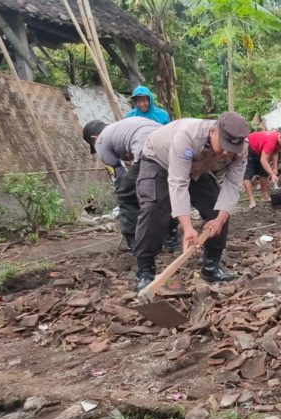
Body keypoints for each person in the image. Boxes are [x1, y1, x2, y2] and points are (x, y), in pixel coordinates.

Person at [132, 112, 250, 291]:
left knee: (216, 207)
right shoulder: (187, 136)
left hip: (197, 169)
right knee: (154, 207)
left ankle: (211, 266)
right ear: (213, 132)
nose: (227, 154)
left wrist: (219, 220)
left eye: (232, 150)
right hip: (159, 161)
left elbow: (233, 185)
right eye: (224, 147)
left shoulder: (241, 150)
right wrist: (187, 228)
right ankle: (145, 270)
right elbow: (178, 182)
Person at [82, 117, 162, 249]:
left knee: (125, 193)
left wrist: (122, 192)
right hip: (170, 141)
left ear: (94, 139)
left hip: (148, 150)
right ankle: (171, 238)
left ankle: (134, 242)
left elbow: (119, 177)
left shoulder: (101, 142)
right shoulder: (121, 128)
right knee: (162, 191)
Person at [243, 128, 281, 209]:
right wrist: (272, 174)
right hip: (248, 148)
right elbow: (263, 160)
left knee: (263, 173)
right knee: (247, 175)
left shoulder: (278, 140)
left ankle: (265, 197)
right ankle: (252, 201)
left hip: (259, 150)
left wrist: (275, 167)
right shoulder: (271, 141)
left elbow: (275, 152)